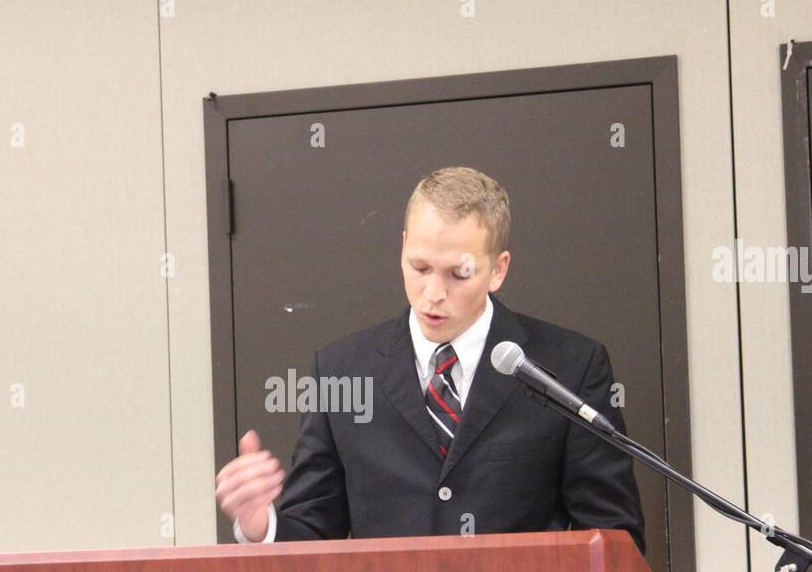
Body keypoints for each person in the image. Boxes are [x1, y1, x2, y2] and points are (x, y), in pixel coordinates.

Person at [214, 166, 644, 551]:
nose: (434, 294)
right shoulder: (342, 371)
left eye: (459, 274)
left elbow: (613, 541)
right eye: (419, 267)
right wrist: (261, 526)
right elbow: (313, 536)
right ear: (402, 247)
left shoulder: (570, 367)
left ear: (499, 269)